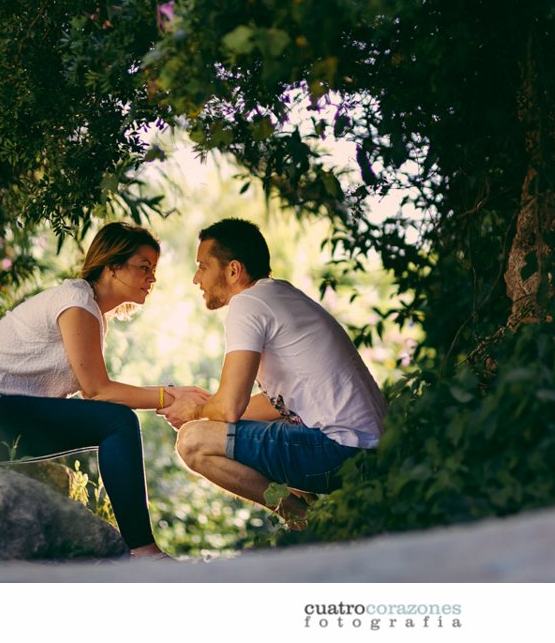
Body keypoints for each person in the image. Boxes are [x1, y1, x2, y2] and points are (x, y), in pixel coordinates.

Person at [0, 221, 193, 558]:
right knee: (118, 421)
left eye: (154, 269)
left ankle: (141, 549)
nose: (152, 278)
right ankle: (143, 552)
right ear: (112, 265)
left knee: (115, 419)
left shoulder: (89, 311)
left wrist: (169, 396)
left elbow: (94, 393)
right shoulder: (76, 302)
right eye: (144, 267)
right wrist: (170, 397)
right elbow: (98, 391)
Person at [158, 217, 388, 529]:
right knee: (211, 428)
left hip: (342, 451)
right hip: (370, 452)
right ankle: (328, 515)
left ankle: (311, 524)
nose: (196, 279)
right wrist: (205, 412)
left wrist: (196, 411)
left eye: (202, 266)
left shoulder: (248, 304)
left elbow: (228, 408)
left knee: (192, 441)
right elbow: (269, 405)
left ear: (234, 270)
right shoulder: (278, 296)